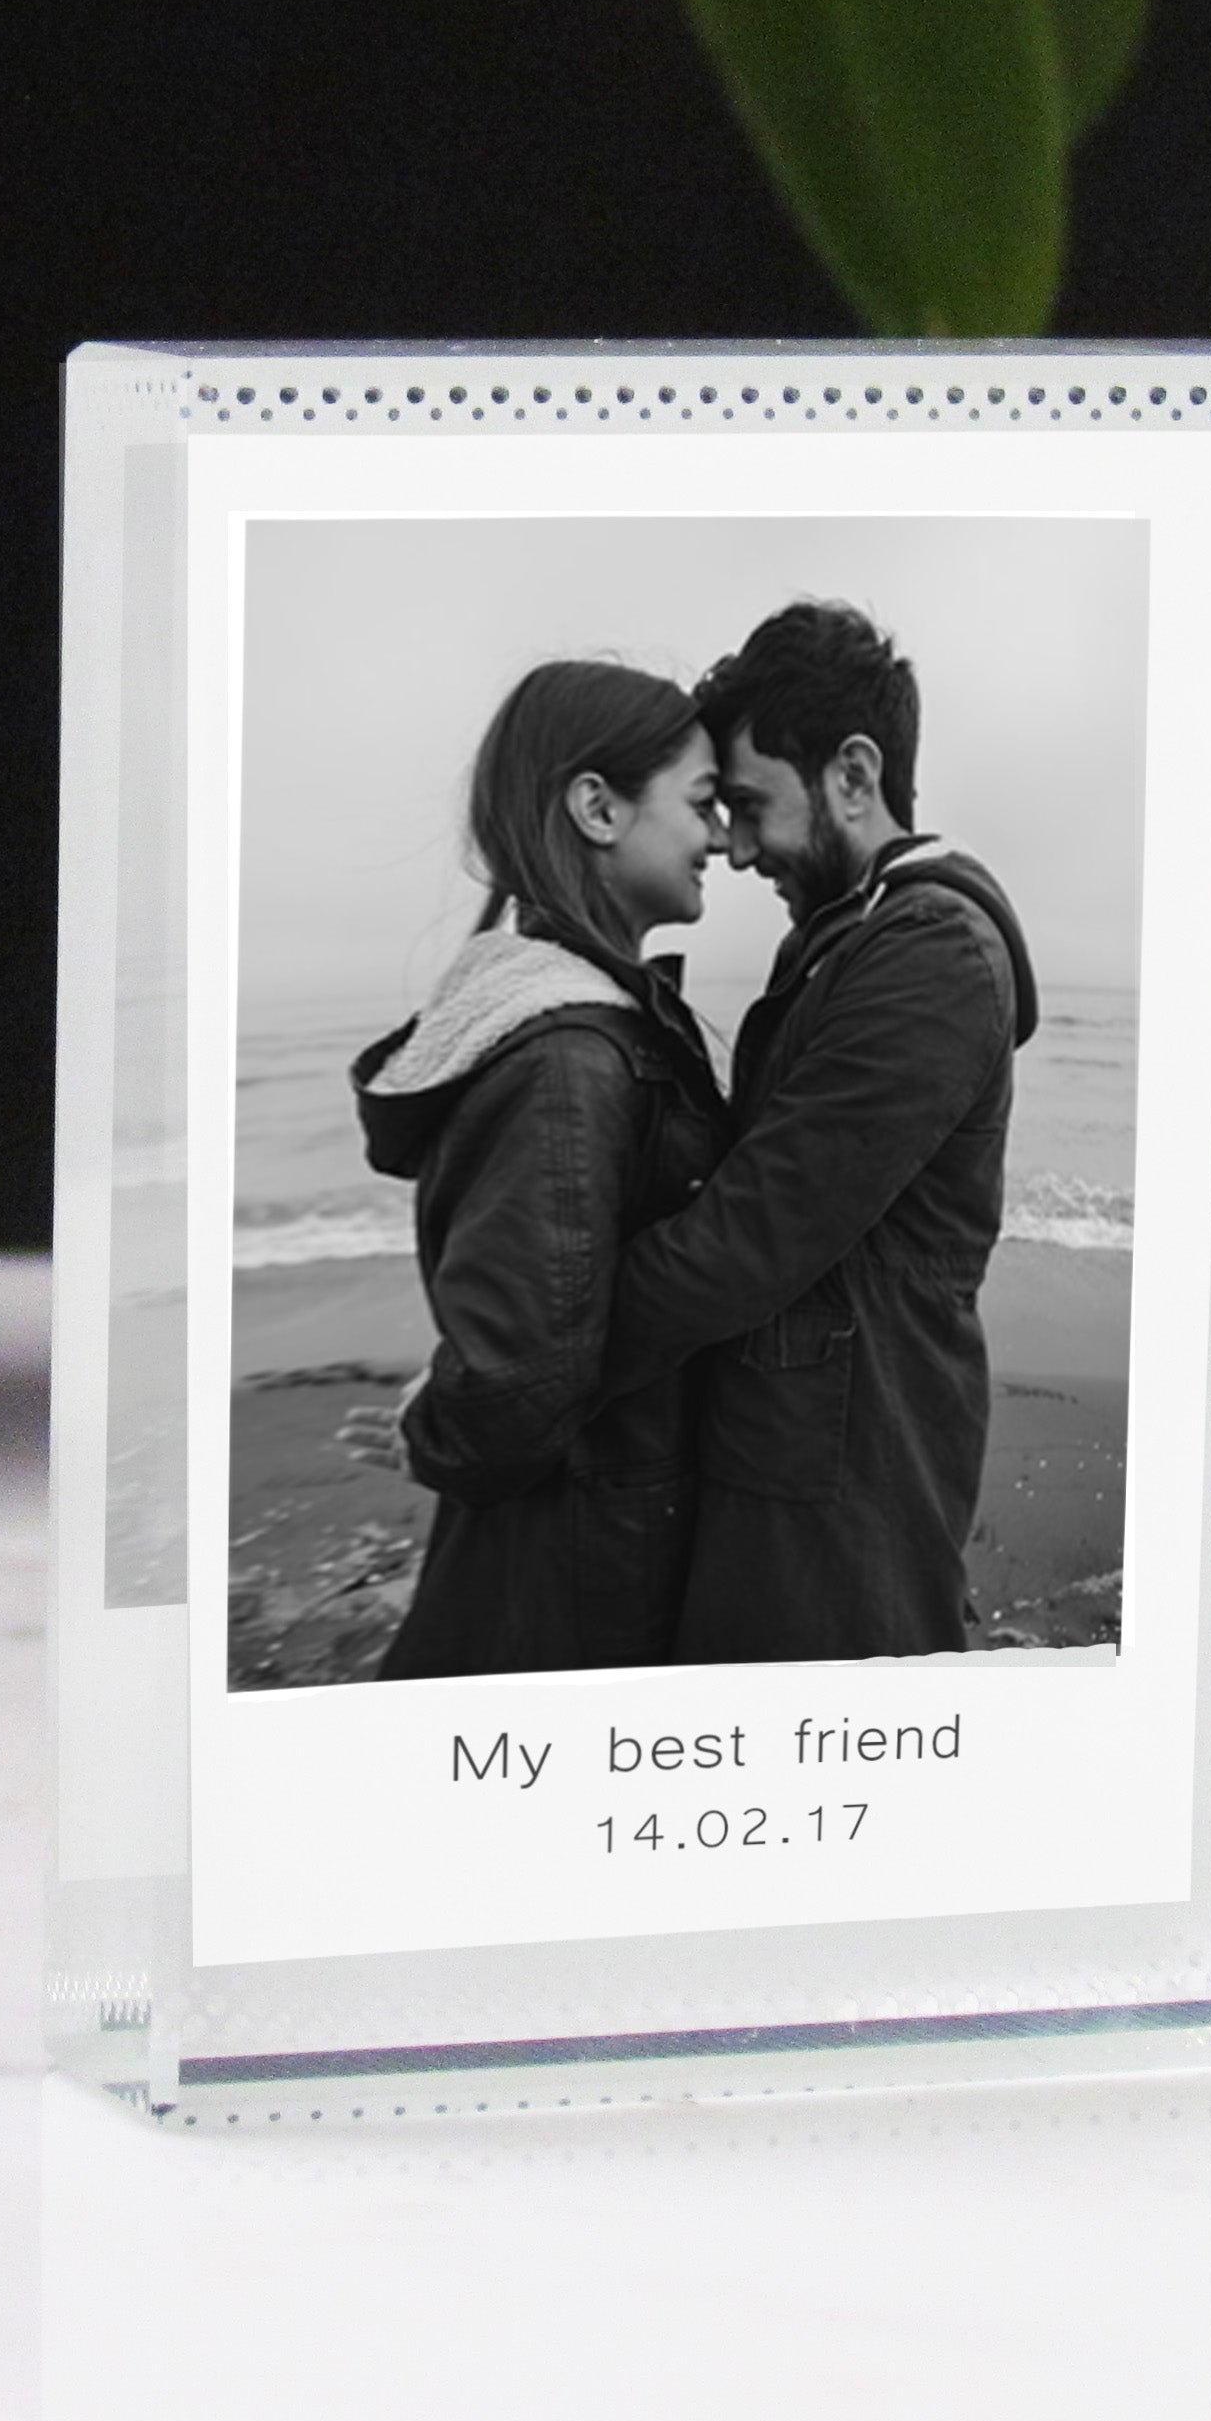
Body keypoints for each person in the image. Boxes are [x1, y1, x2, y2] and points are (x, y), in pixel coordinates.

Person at [608, 603, 1038, 1661]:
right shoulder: (854, 937)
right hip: (802, 1455)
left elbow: (751, 1238)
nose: (737, 847)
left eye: (752, 805)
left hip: (848, 1487)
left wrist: (525, 1359)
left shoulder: (928, 949)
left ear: (854, 774)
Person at [352, 662, 729, 1680]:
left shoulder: (577, 1030)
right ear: (598, 807)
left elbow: (528, 1321)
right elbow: (517, 1381)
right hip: (585, 1566)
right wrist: (434, 1431)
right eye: (702, 805)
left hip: (579, 1536)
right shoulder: (567, 1058)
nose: (725, 840)